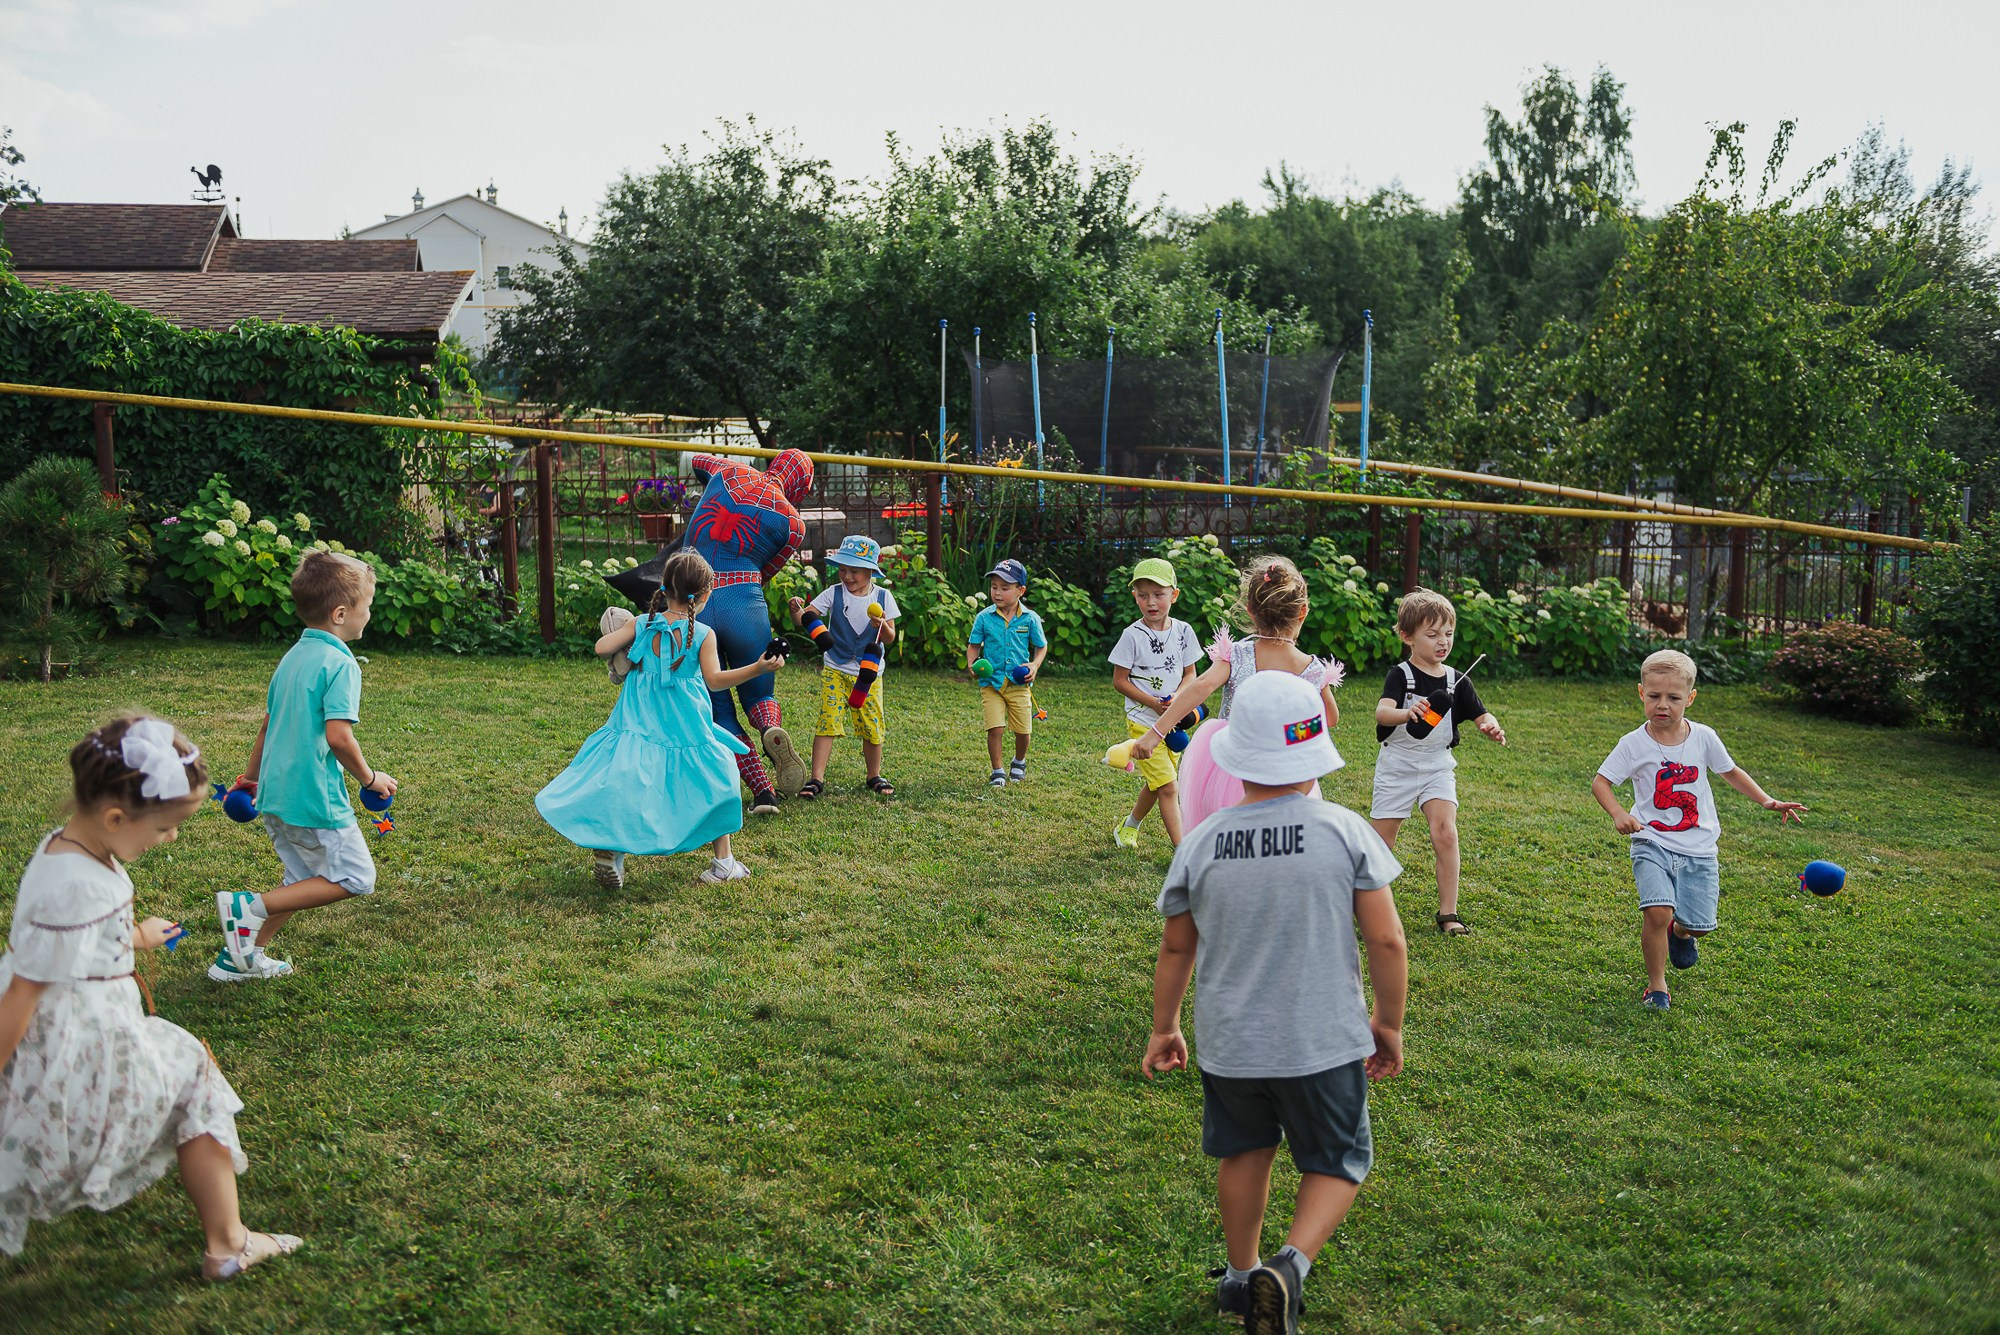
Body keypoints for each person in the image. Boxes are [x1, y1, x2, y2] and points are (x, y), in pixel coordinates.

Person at [1143, 673, 1407, 1335]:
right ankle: (1287, 1268)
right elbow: (1386, 936)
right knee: (1340, 1158)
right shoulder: (1345, 831)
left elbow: (1177, 947)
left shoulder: (1200, 841)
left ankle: (1240, 1277)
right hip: (1324, 1041)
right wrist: (1389, 1022)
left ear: (1234, 756)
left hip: (1233, 1045)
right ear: (1315, 749)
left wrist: (1165, 1025)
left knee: (1246, 1151)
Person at [1, 716, 301, 1279]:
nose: (172, 839)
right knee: (195, 1080)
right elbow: (23, 991)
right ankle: (229, 1244)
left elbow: (74, 940)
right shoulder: (75, 886)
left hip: (77, 1020)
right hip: (78, 1041)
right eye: (166, 828)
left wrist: (135, 937)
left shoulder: (69, 848)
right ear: (116, 817)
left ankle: (228, 1239)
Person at [538, 550, 785, 889]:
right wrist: (759, 667)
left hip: (637, 722)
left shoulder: (642, 624)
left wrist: (624, 640)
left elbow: (600, 647)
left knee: (626, 779)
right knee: (718, 777)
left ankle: (612, 849)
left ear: (664, 587)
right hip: (685, 725)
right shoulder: (702, 634)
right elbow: (715, 681)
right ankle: (724, 864)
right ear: (704, 594)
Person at [213, 549, 395, 982]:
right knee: (356, 877)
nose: (368, 614)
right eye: (366, 607)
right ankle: (248, 907)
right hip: (315, 799)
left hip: (275, 793)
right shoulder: (341, 664)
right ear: (340, 613)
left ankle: (240, 960)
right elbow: (339, 737)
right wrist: (371, 778)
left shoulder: (293, 657)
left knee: (299, 878)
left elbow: (267, 724)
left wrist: (250, 778)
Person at [1591, 649, 1808, 1010]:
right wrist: (1617, 813)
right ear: (1640, 693)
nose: (1663, 705)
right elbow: (1601, 782)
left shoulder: (1704, 737)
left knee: (1701, 926)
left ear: (1690, 698)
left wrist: (1768, 801)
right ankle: (1657, 986)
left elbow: (1731, 772)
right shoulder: (1633, 744)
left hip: (1699, 848)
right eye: (1655, 696)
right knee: (1657, 911)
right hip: (1652, 840)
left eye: (1674, 698)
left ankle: (1682, 932)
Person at [1133, 555, 1343, 828]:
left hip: (1231, 767)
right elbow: (1330, 719)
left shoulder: (1239, 654)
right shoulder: (1312, 670)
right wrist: (1288, 734)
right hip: (1286, 771)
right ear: (1302, 611)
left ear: (1251, 610)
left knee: (1227, 835)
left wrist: (1155, 733)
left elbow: (1202, 686)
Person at [682, 447, 816, 812]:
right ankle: (769, 728)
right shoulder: (792, 523)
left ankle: (762, 792)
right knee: (758, 692)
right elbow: (768, 570)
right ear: (799, 486)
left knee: (718, 706)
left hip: (696, 601)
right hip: (746, 600)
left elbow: (693, 460)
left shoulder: (727, 470)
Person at [1369, 589, 1506, 937]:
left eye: (1448, 633)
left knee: (1445, 833)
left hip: (1437, 766)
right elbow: (1382, 712)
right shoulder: (1400, 675)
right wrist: (1406, 712)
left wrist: (1489, 724)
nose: (1442, 641)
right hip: (1397, 765)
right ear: (1407, 636)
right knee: (1381, 842)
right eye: (1432, 635)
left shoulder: (1457, 679)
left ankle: (1448, 914)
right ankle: (1362, 903)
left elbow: (1479, 712)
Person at [788, 535, 900, 799]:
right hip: (835, 669)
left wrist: (881, 627)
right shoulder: (834, 593)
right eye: (843, 569)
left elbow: (890, 637)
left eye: (854, 571)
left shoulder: (884, 597)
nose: (847, 576)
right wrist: (796, 609)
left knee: (872, 725)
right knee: (828, 721)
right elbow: (805, 618)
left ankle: (874, 774)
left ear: (870, 571)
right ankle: (816, 779)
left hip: (868, 674)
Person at [1108, 558, 1203, 849]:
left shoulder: (1184, 631)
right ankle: (1183, 852)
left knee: (1158, 782)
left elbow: (1191, 674)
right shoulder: (1132, 636)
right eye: (1143, 595)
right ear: (1135, 596)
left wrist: (1177, 699)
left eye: (1159, 595)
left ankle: (1129, 825)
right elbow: (1119, 681)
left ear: (1174, 595)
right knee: (1169, 786)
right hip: (1142, 721)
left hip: (1173, 722)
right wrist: (1153, 702)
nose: (1151, 602)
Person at [965, 558, 1048, 787]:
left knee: (1023, 731)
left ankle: (1019, 761)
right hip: (991, 682)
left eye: (1005, 588)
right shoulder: (984, 617)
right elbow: (973, 645)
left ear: (1020, 591)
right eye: (994, 587)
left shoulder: (1029, 618)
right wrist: (972, 664)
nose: (998, 593)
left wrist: (1034, 665)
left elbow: (1041, 646)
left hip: (1019, 685)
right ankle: (998, 770)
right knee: (996, 728)